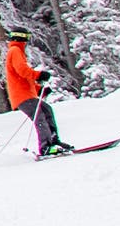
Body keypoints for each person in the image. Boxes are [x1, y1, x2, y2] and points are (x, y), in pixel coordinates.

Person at [4, 27, 72, 156]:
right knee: (39, 116)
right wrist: (39, 75)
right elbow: (22, 71)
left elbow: (23, 78)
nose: (27, 41)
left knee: (47, 110)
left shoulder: (16, 51)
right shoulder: (15, 50)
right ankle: (45, 146)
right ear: (22, 37)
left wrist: (40, 90)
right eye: (27, 38)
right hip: (22, 96)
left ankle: (53, 141)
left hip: (26, 95)